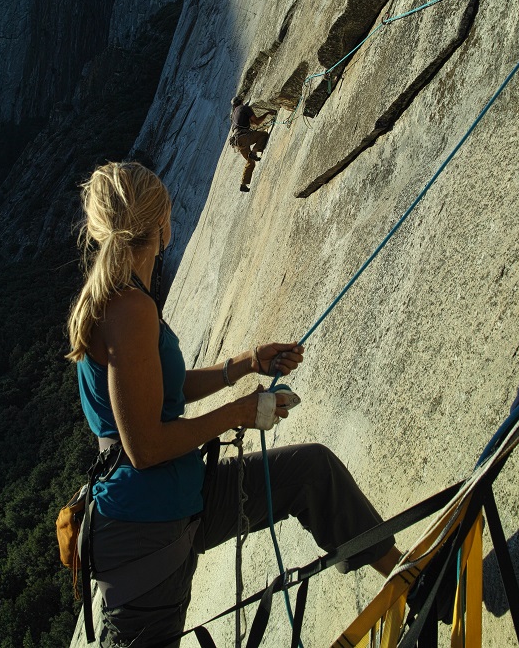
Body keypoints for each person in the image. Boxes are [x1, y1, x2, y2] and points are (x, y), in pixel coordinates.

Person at [67, 161, 402, 648]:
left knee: (312, 472)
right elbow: (144, 447)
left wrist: (243, 364)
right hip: (146, 531)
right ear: (160, 225)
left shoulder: (128, 300)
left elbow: (162, 393)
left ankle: (410, 576)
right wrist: (239, 412)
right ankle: (413, 577)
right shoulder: (129, 309)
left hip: (180, 501)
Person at [230, 95, 274, 192]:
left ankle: (243, 184)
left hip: (237, 142)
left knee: (250, 162)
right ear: (241, 101)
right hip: (244, 137)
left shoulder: (233, 115)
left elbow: (251, 123)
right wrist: (267, 113)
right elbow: (257, 122)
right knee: (263, 135)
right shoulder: (245, 108)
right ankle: (254, 152)